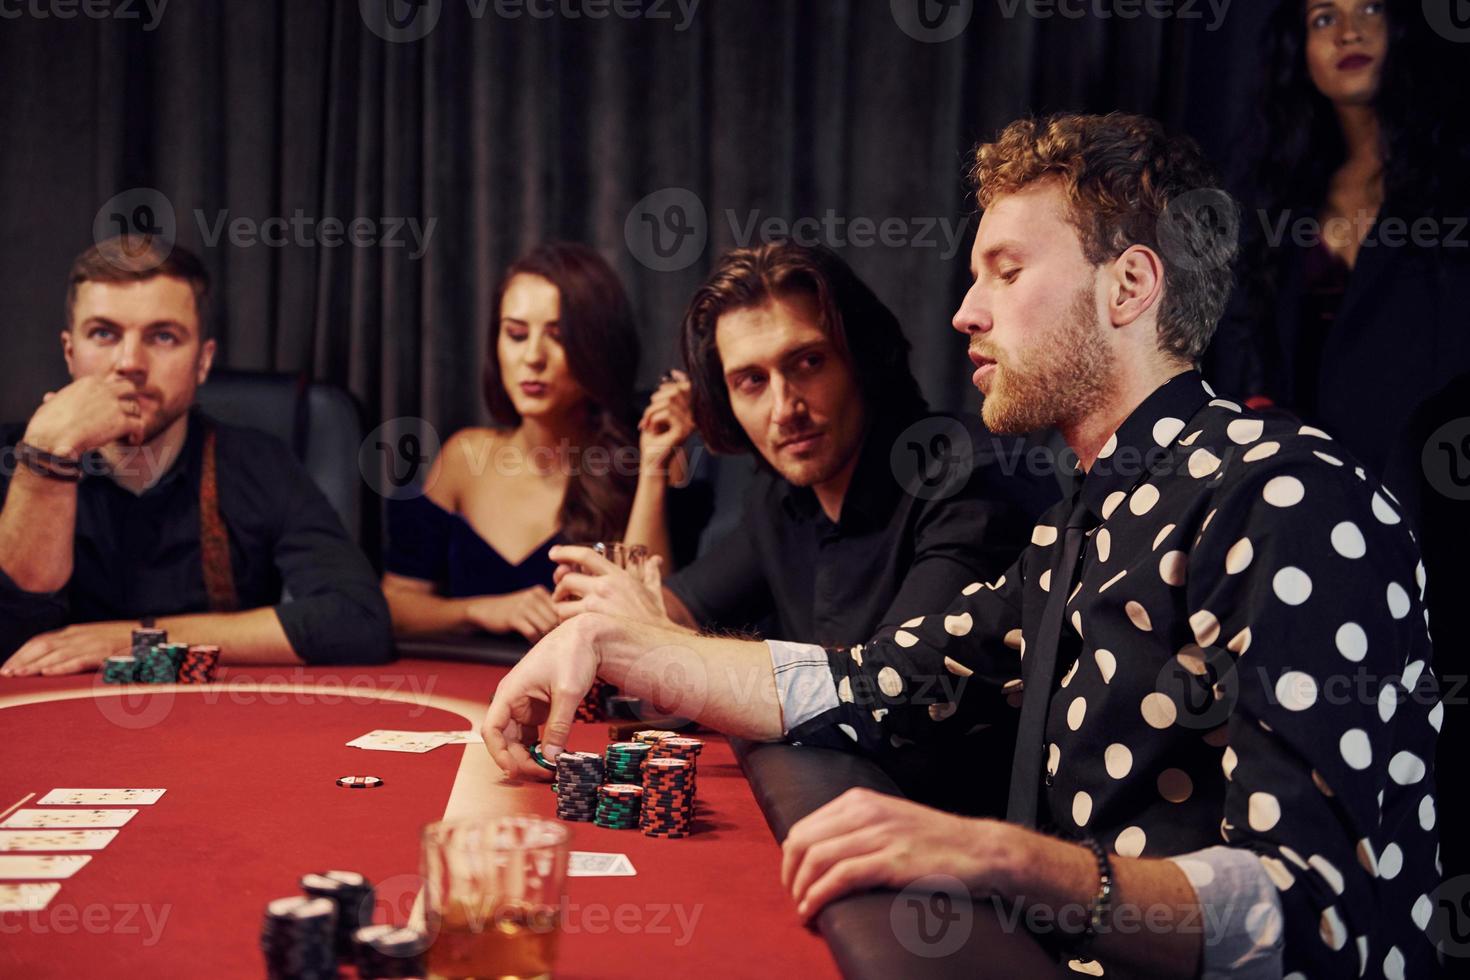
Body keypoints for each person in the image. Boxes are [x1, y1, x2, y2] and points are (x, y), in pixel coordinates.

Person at [483, 114, 1440, 977]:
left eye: (1007, 271)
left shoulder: (1288, 493)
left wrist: (998, 856)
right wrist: (619, 647)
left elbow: (1316, 916)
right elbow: (868, 683)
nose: (965, 312)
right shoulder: (1090, 512)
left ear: (1131, 286)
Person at [550, 241, 1055, 811]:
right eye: (750, 381)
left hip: (956, 863)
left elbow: (887, 697)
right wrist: (626, 613)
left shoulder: (964, 471)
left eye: (808, 363)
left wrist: (649, 643)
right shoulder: (780, 492)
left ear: (861, 357)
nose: (783, 408)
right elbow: (672, 610)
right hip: (831, 815)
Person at [1207, 0, 1469, 885]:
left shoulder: (1455, 176)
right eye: (1323, 16)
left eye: (1370, 11)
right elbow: (1244, 343)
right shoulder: (1278, 184)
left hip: (1439, 509)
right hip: (1308, 509)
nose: (1348, 31)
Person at [0, 236, 392, 674]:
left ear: (203, 361)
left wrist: (139, 638)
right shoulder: (9, 458)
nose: (129, 362)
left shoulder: (259, 463)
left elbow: (357, 620)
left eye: (163, 336)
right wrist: (47, 458)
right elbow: (9, 632)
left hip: (214, 725)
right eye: (104, 334)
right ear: (71, 353)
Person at [380, 243, 694, 645]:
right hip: (466, 689)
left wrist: (652, 469)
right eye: (515, 334)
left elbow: (651, 622)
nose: (532, 357)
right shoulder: (464, 456)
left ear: (597, 349)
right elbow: (395, 606)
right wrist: (481, 609)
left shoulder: (645, 457)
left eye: (558, 337)